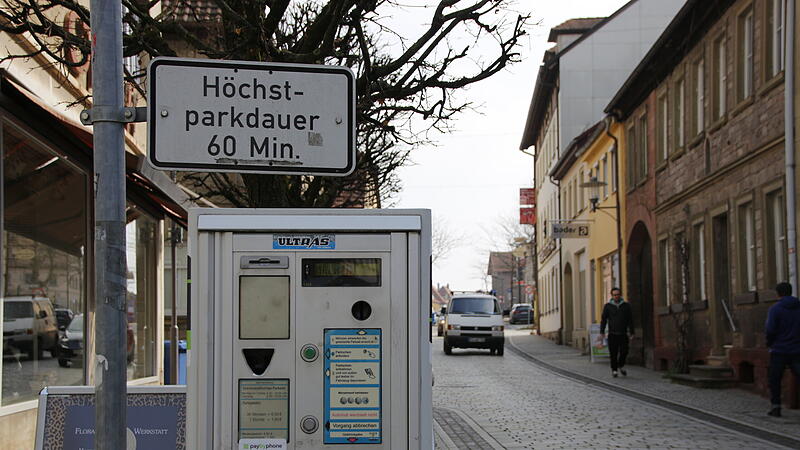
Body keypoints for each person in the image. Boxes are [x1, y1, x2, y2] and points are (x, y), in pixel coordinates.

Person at [765, 282, 800, 417]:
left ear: (778, 294)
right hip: (797, 349)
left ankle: (776, 407)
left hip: (779, 350)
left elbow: (770, 329)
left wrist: (770, 343)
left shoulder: (775, 309)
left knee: (775, 379)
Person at [600, 287, 634, 377]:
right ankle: (614, 370)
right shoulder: (608, 306)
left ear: (620, 295)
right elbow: (603, 319)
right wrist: (602, 331)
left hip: (623, 334)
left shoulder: (626, 306)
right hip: (612, 334)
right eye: (614, 295)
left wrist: (632, 332)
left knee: (624, 351)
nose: (616, 296)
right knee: (613, 353)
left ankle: (621, 364)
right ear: (612, 296)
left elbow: (630, 320)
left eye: (618, 295)